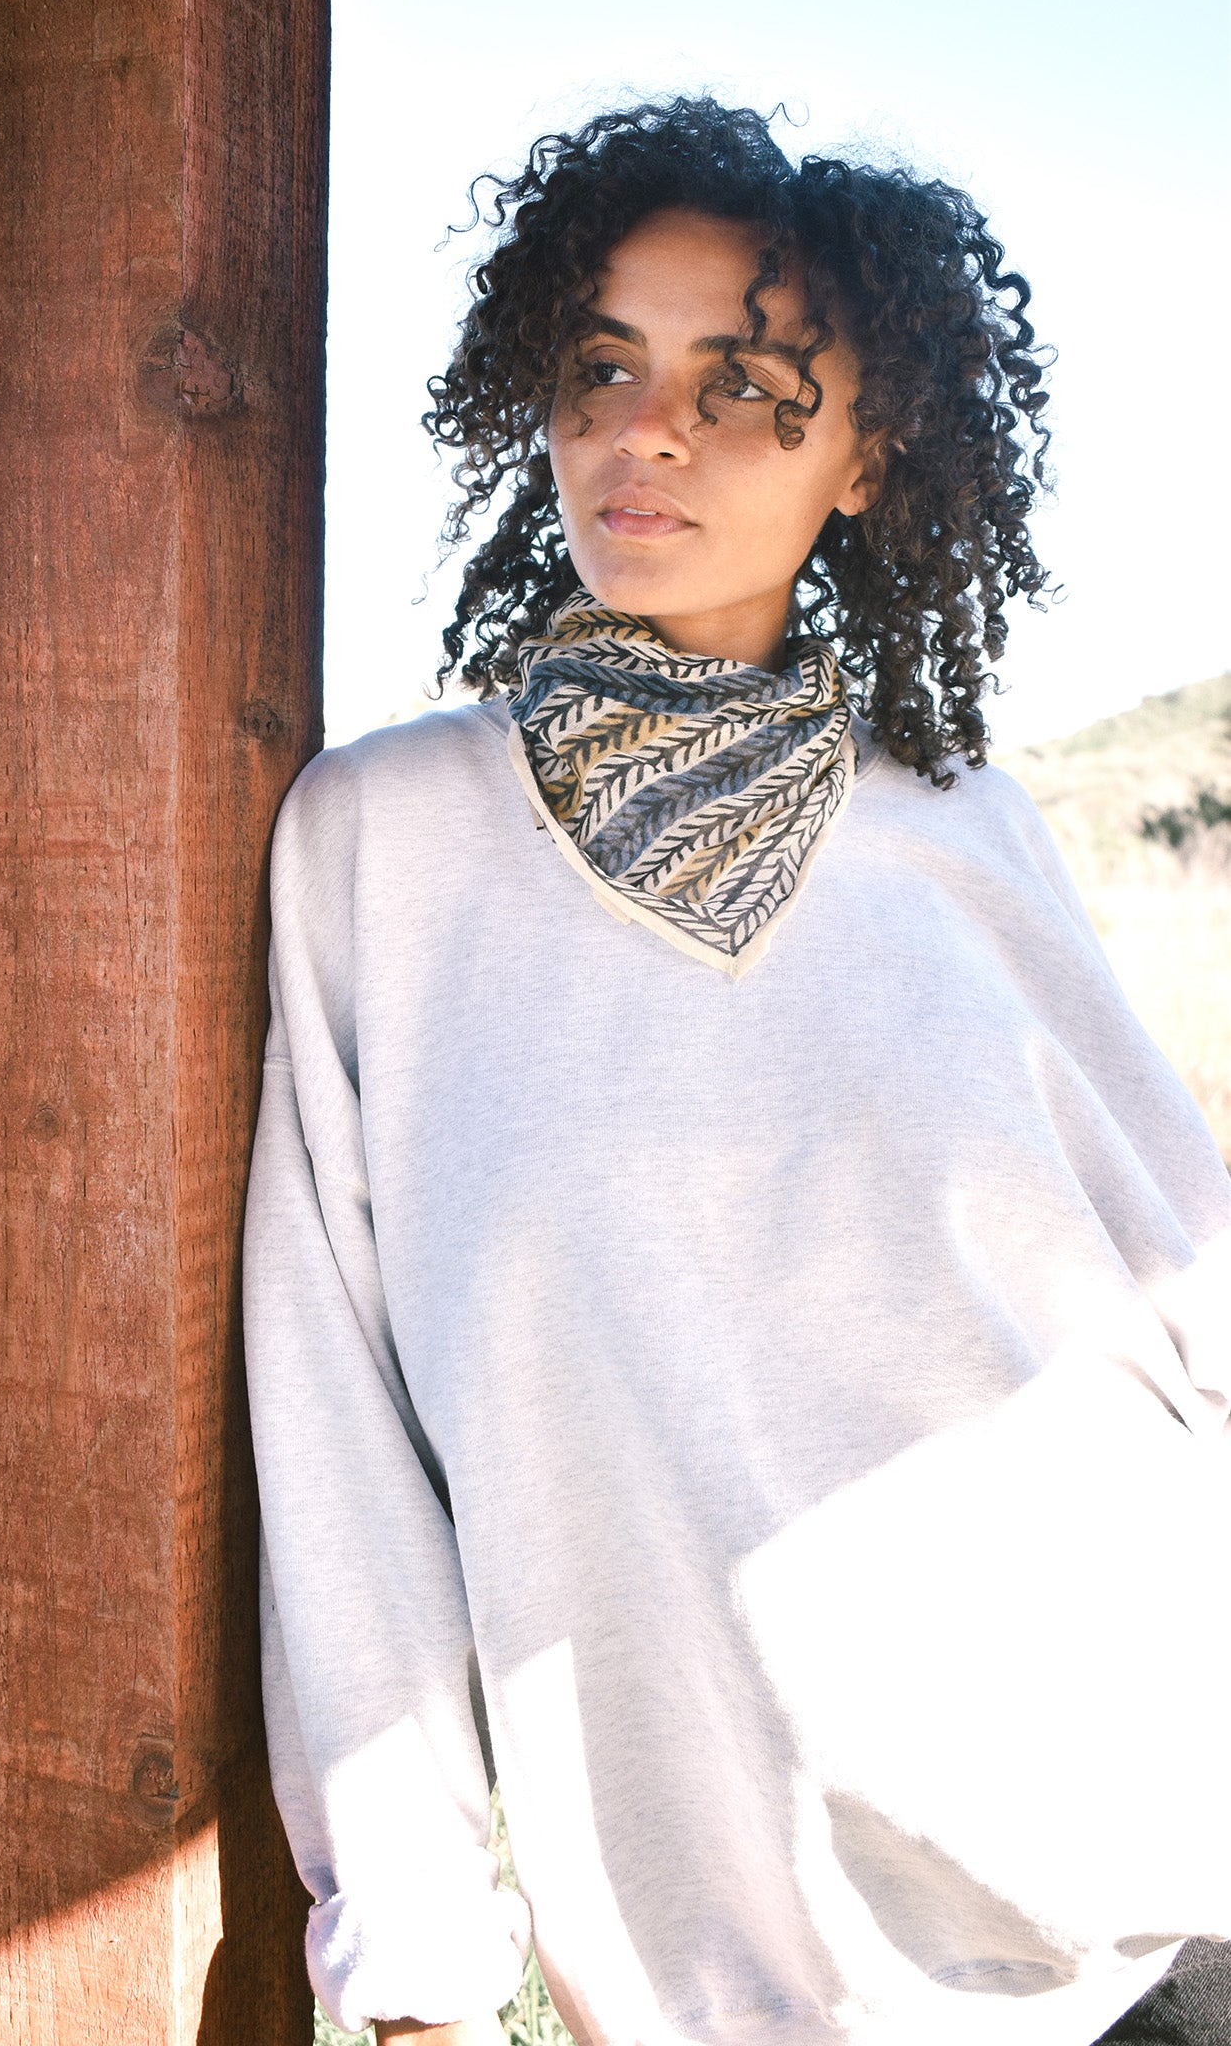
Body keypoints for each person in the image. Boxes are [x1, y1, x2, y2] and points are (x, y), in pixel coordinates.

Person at [243, 99, 1231, 2046]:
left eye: (745, 386)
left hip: (1156, 1878)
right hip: (735, 1972)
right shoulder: (384, 842)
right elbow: (335, 1415)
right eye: (602, 365)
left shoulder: (964, 827)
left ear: (868, 458)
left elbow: (1188, 1290)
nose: (648, 429)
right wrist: (419, 1959)